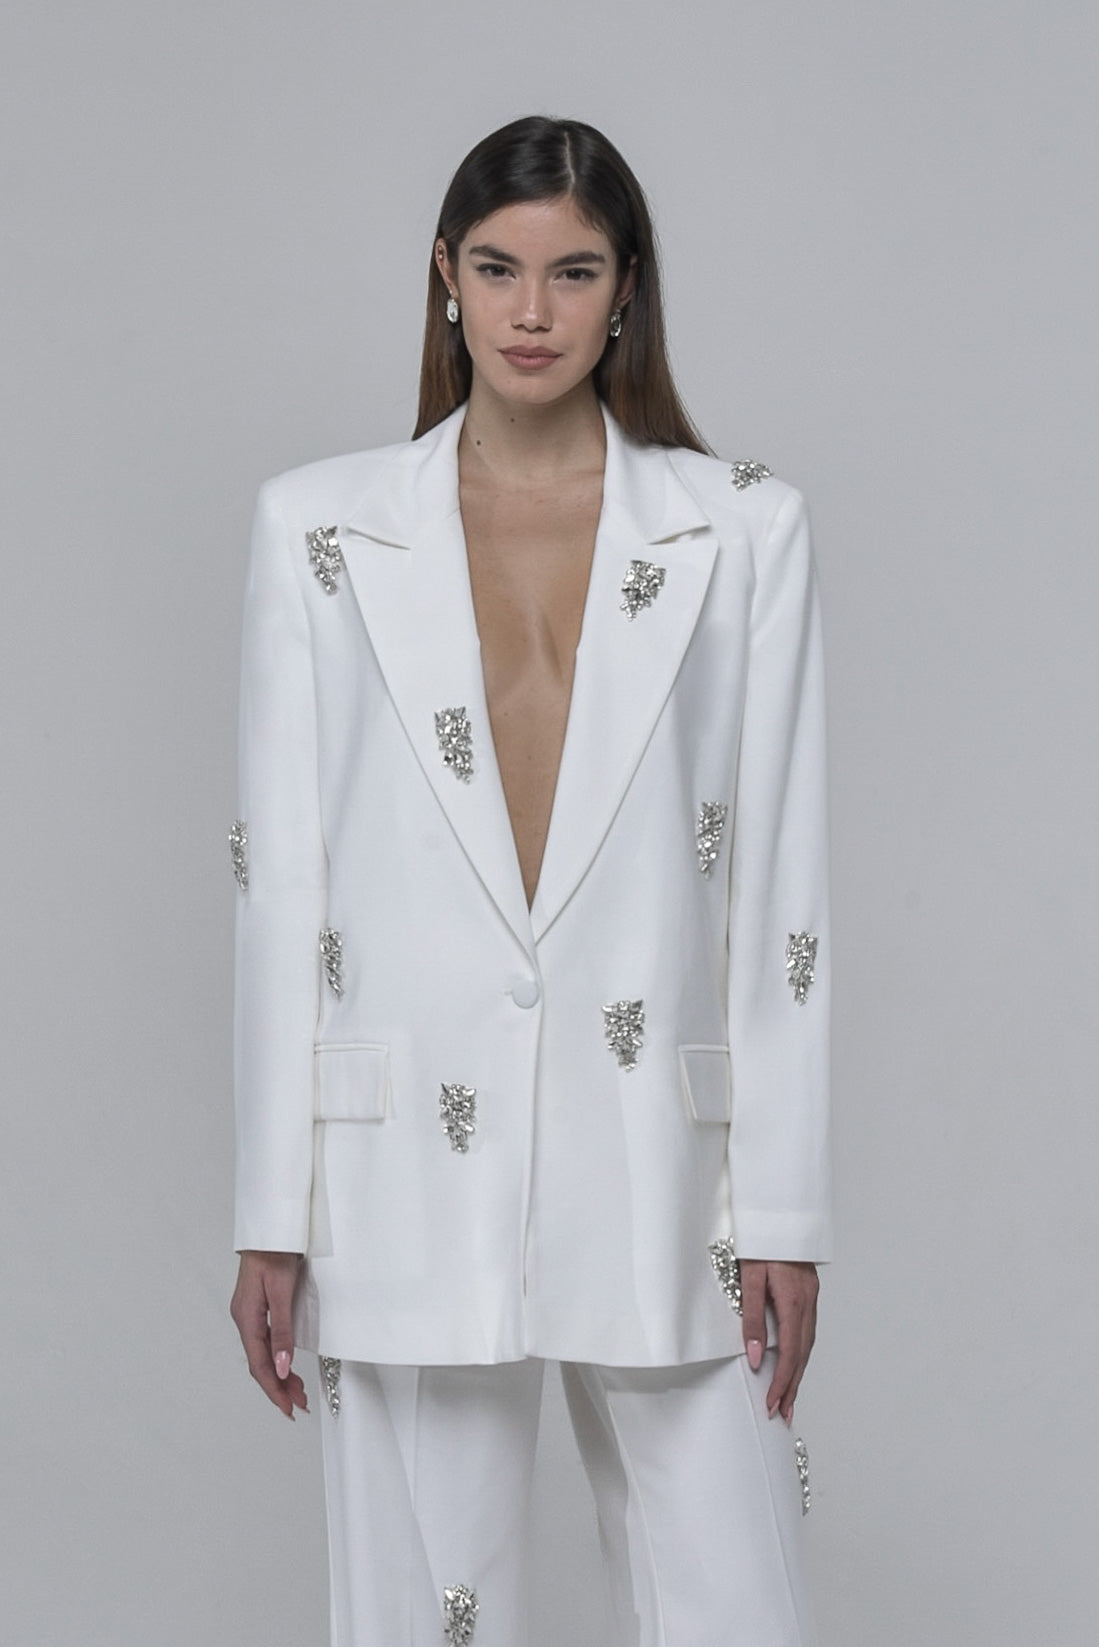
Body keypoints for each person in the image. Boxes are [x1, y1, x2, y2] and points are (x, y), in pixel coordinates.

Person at [229, 115, 830, 1647]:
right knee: (423, 1619)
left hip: (669, 1165)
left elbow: (779, 888)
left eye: (574, 272)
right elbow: (283, 882)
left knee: (735, 1609)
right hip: (397, 1166)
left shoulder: (743, 529)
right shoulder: (318, 528)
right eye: (497, 269)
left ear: (627, 289)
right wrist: (269, 1210)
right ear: (446, 275)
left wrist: (785, 1208)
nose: (532, 312)